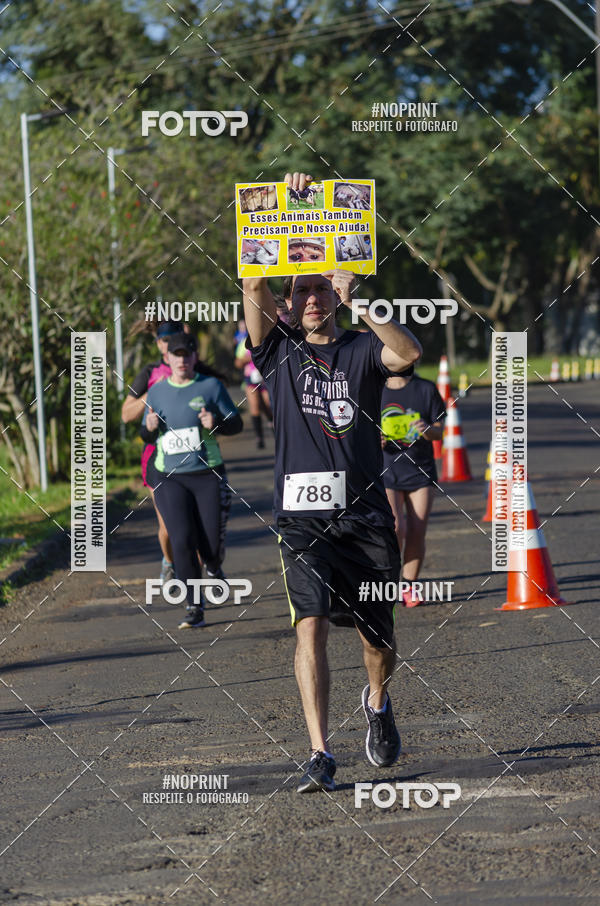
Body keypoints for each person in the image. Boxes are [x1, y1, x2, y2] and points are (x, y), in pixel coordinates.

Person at [242, 169, 422, 793]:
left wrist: (360, 295)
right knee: (309, 624)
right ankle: (319, 752)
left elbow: (407, 356)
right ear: (289, 302)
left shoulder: (360, 350)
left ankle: (376, 699)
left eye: (322, 288)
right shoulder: (277, 351)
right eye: (302, 291)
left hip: (366, 516)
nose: (312, 297)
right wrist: (282, 204)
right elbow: (253, 278)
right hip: (301, 520)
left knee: (378, 637)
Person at [140, 333, 243, 629]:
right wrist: (148, 427)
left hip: (206, 473)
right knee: (182, 538)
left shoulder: (210, 387)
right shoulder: (157, 392)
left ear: (195, 357)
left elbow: (236, 424)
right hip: (169, 476)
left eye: (187, 354)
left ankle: (213, 565)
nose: (182, 360)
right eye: (176, 354)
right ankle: (193, 605)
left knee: (209, 542)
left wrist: (217, 422)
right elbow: (145, 434)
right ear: (168, 358)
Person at [122, 319, 183, 584]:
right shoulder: (150, 372)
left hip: (192, 454)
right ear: (158, 344)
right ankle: (169, 563)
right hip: (156, 456)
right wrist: (151, 395)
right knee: (168, 525)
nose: (171, 346)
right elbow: (126, 415)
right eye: (166, 340)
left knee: (196, 524)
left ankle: (197, 577)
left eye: (176, 338)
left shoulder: (190, 367)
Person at [380, 366, 446, 607]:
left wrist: (428, 430)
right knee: (396, 528)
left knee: (417, 530)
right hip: (388, 471)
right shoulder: (374, 389)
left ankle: (409, 585)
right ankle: (389, 582)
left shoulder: (425, 389)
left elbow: (440, 432)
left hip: (420, 471)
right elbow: (359, 431)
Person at [234, 328, 273, 449]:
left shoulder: (267, 339)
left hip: (266, 378)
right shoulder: (244, 343)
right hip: (250, 379)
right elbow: (237, 363)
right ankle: (259, 438)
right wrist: (248, 358)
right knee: (255, 406)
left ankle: (272, 423)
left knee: (268, 404)